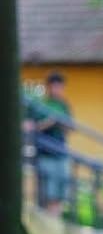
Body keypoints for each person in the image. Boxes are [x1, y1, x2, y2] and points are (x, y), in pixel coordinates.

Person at [26, 71, 73, 214]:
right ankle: (49, 220)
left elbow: (70, 128)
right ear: (49, 87)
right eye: (55, 86)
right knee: (48, 194)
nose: (57, 90)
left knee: (61, 194)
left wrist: (61, 123)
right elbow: (30, 127)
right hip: (46, 155)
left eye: (60, 87)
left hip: (61, 153)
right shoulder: (41, 105)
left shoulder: (64, 105)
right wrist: (49, 122)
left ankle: (55, 219)